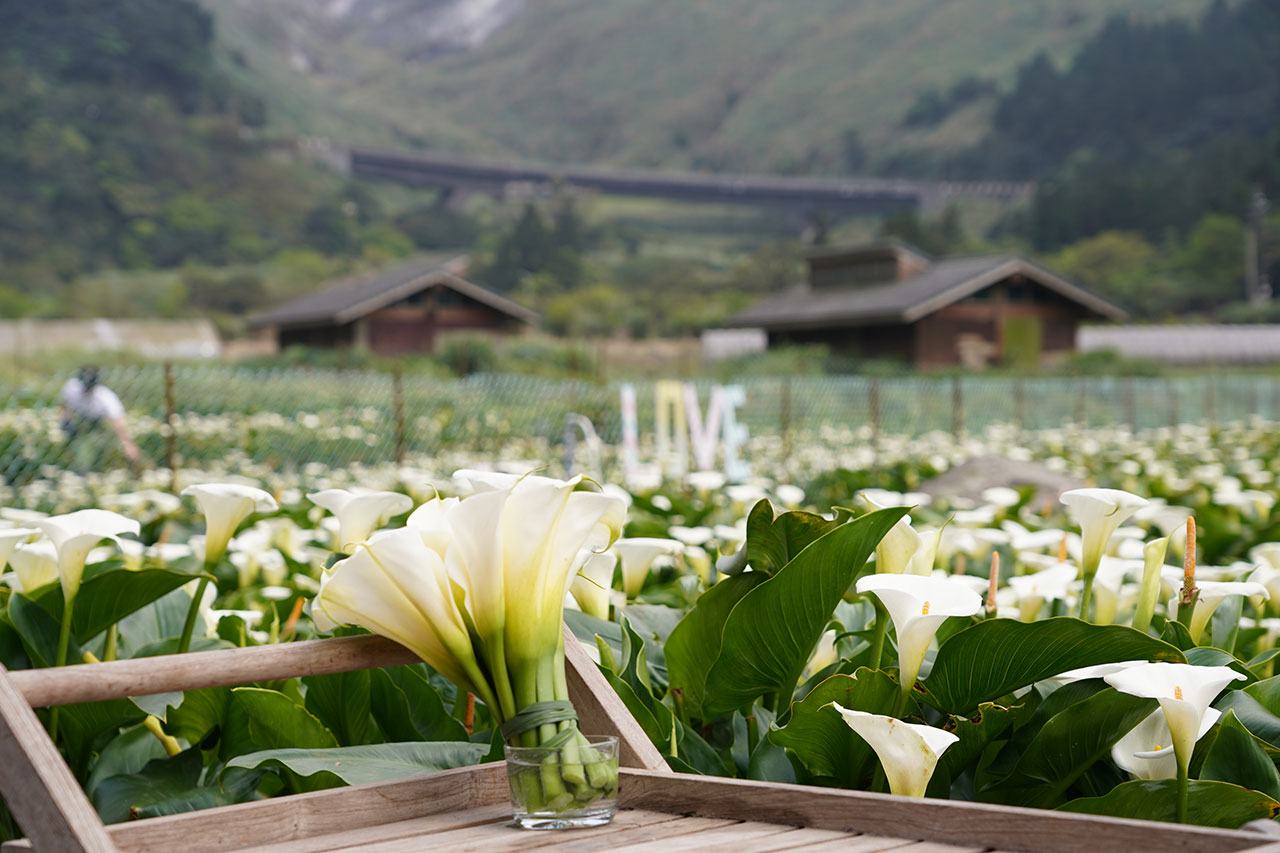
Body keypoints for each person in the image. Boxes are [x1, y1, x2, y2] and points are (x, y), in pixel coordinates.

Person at [60, 367, 140, 471]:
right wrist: (65, 420)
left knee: (100, 445)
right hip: (79, 419)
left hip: (98, 421)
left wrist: (128, 444)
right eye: (84, 386)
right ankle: (80, 468)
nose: (86, 390)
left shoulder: (105, 397)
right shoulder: (72, 387)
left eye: (89, 387)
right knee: (78, 447)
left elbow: (118, 421)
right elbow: (65, 404)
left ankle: (97, 468)